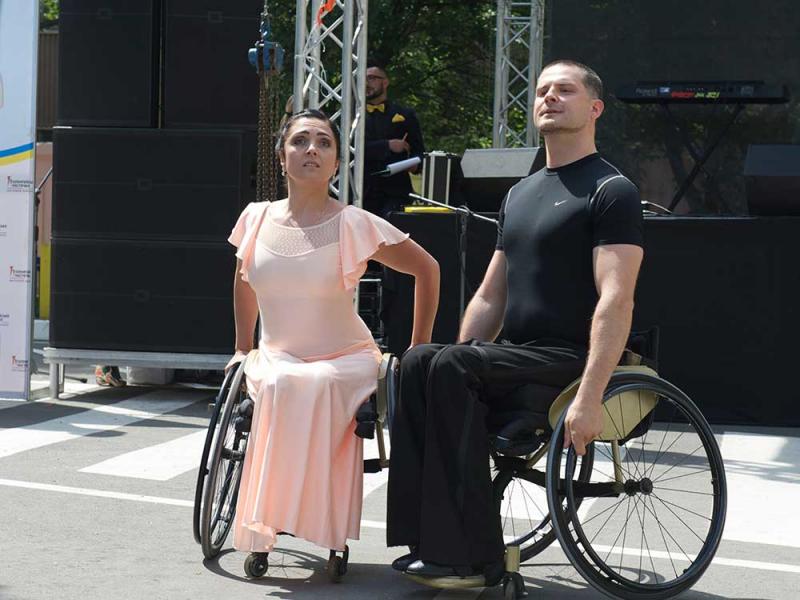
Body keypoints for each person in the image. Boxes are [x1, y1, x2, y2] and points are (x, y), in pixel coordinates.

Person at [386, 60, 644, 582]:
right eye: (543, 90)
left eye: (565, 90)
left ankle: (474, 561)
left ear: (595, 108)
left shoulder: (612, 190)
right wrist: (453, 356)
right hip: (519, 356)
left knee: (451, 365)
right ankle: (428, 540)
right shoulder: (519, 194)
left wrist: (590, 396)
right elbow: (490, 295)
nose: (550, 97)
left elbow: (617, 299)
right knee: (418, 362)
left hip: (569, 359)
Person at [225, 109, 439, 561]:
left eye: (324, 143)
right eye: (300, 141)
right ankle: (271, 519)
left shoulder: (353, 223)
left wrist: (417, 348)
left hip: (345, 358)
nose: (312, 150)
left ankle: (315, 522)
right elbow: (244, 283)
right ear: (282, 157)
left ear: (337, 163)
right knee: (282, 381)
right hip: (277, 356)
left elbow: (428, 269)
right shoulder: (255, 218)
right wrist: (242, 348)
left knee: (315, 383)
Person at [363, 62, 425, 218]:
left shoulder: (405, 114)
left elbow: (419, 152)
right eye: (362, 79)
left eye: (371, 78)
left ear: (385, 82)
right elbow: (348, 150)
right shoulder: (352, 116)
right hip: (361, 190)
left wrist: (414, 165)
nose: (366, 83)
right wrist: (388, 145)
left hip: (395, 192)